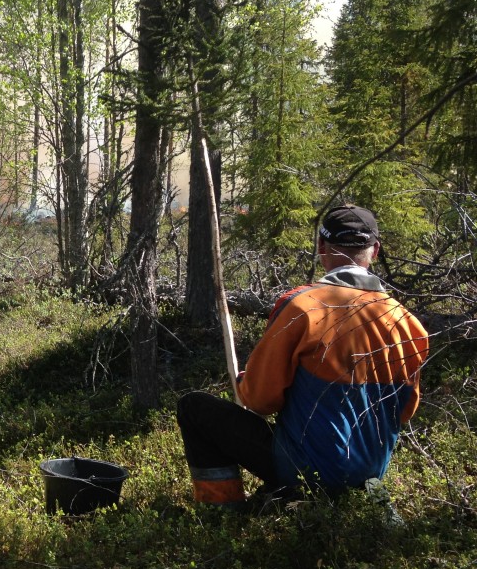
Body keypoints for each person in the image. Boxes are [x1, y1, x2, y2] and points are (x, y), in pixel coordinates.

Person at [176, 204, 429, 510]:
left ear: (321, 246)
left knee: (193, 408)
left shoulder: (301, 307)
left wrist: (246, 382)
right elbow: (405, 412)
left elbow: (259, 401)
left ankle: (225, 511)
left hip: (306, 470)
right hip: (369, 476)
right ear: (374, 251)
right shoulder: (409, 324)